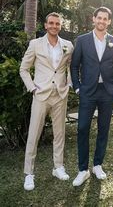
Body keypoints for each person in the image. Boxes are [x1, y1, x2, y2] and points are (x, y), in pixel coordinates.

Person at [70, 6, 113, 186]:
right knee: (83, 128)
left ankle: (98, 165)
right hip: (87, 91)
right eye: (99, 18)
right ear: (93, 19)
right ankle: (82, 169)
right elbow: (74, 66)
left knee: (104, 128)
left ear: (109, 21)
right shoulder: (82, 40)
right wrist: (78, 87)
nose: (102, 21)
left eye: (105, 19)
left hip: (107, 92)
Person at [20, 12, 74, 191]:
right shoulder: (35, 44)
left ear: (60, 26)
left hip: (60, 95)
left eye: (57, 24)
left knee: (59, 134)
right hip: (41, 95)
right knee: (34, 134)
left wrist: (70, 84)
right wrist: (33, 88)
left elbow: (71, 66)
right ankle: (29, 173)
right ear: (45, 25)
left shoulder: (68, 45)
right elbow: (24, 69)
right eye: (51, 23)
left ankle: (58, 167)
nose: (54, 26)